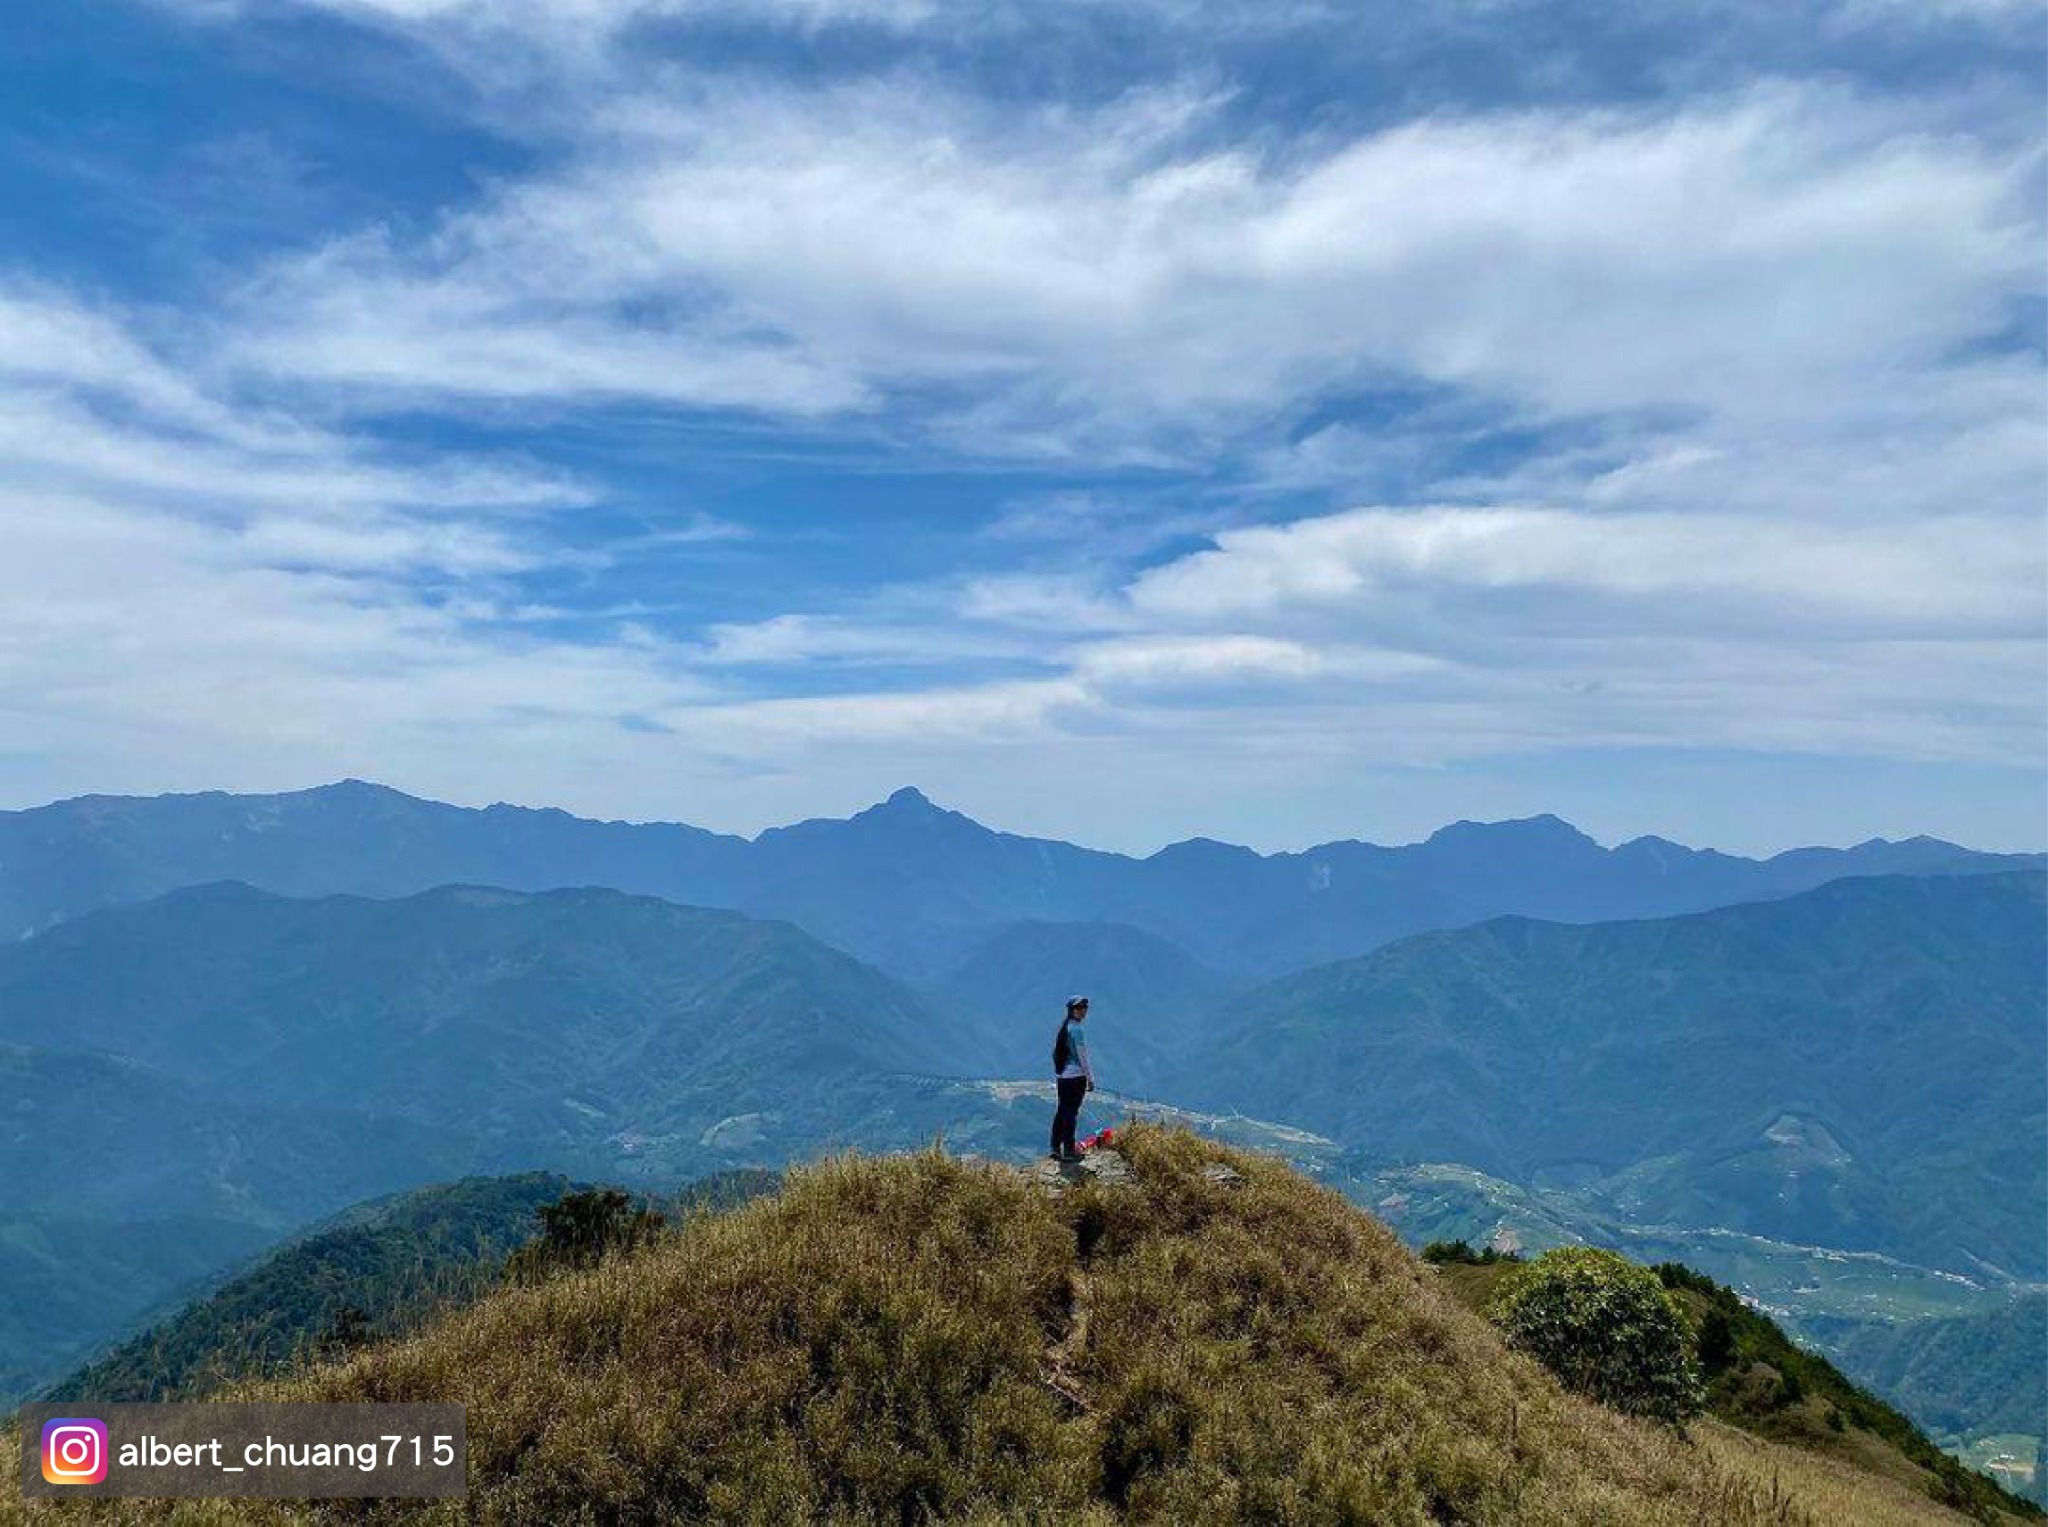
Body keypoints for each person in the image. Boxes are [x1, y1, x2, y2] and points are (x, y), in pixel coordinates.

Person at [1050, 995, 1094, 1162]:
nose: (1082, 1011)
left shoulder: (1065, 1027)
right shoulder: (1077, 1030)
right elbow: (1083, 1056)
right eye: (1079, 1008)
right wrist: (1090, 1078)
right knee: (1071, 1113)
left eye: (1084, 1008)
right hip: (1076, 1077)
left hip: (1062, 1076)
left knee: (1062, 1110)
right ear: (1072, 1011)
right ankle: (1069, 1149)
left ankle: (1055, 1147)